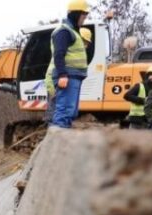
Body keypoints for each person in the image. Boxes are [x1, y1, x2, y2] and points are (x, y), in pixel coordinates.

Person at [50, 0, 90, 128]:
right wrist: (62, 74)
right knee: (64, 112)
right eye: (83, 16)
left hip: (73, 76)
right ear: (76, 14)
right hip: (67, 76)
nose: (84, 19)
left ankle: (61, 142)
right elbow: (58, 54)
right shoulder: (64, 31)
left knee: (70, 112)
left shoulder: (73, 32)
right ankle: (56, 144)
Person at [45, 27, 92, 123]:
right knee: (58, 114)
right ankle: (54, 134)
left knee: (62, 113)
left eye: (87, 43)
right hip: (55, 84)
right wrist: (53, 90)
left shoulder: (72, 52)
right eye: (85, 42)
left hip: (55, 83)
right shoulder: (69, 52)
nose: (86, 45)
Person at [124, 65, 152, 129]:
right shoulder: (139, 86)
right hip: (137, 119)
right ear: (147, 76)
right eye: (151, 75)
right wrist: (143, 100)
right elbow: (127, 96)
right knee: (133, 138)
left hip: (149, 119)